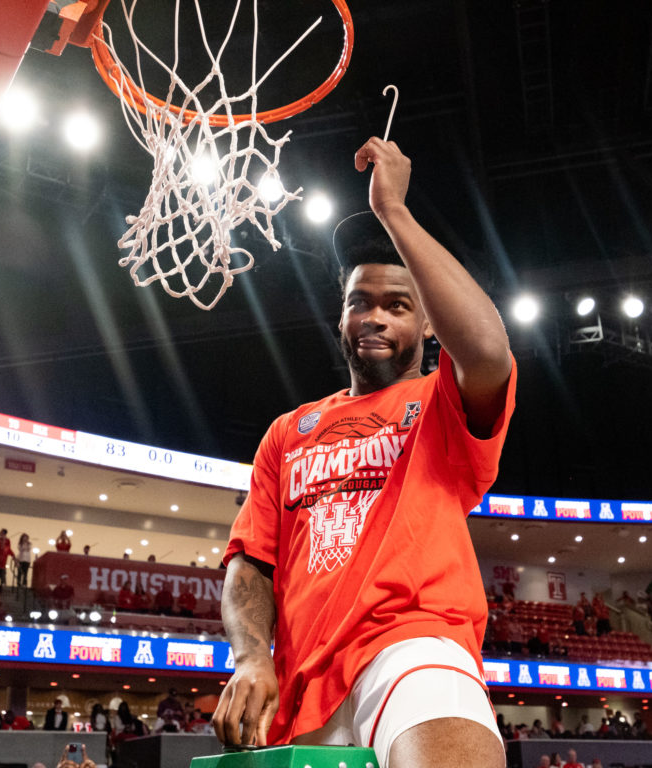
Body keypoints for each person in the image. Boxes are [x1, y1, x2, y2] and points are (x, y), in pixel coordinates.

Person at [212, 137, 515, 768]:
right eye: (359, 302)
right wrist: (251, 658)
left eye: (397, 305)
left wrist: (394, 214)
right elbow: (250, 565)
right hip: (302, 684)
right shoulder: (287, 432)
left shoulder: (442, 404)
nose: (374, 317)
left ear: (428, 323)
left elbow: (488, 351)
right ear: (340, 318)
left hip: (412, 641)